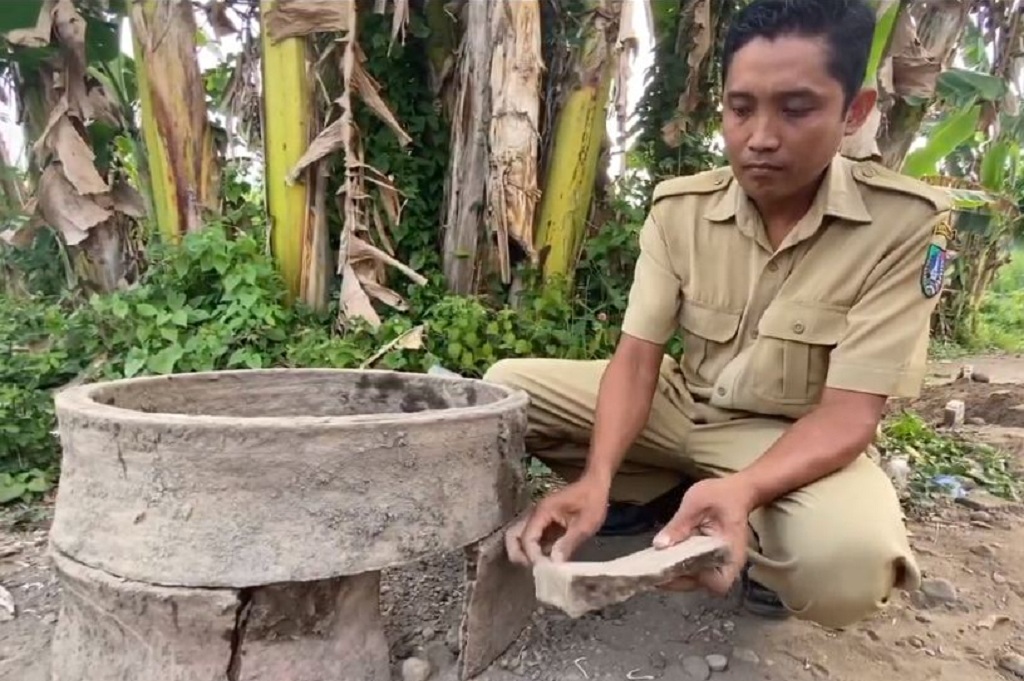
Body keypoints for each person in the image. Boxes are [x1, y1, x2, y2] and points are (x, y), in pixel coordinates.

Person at [483, 0, 954, 630]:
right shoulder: (680, 210)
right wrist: (595, 478)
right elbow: (637, 357)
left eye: (796, 109)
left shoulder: (904, 227)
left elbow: (850, 412)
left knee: (845, 568)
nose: (759, 136)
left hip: (784, 434)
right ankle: (640, 492)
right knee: (502, 392)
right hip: (679, 406)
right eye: (741, 109)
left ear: (855, 112)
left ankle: (756, 539)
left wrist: (745, 488)